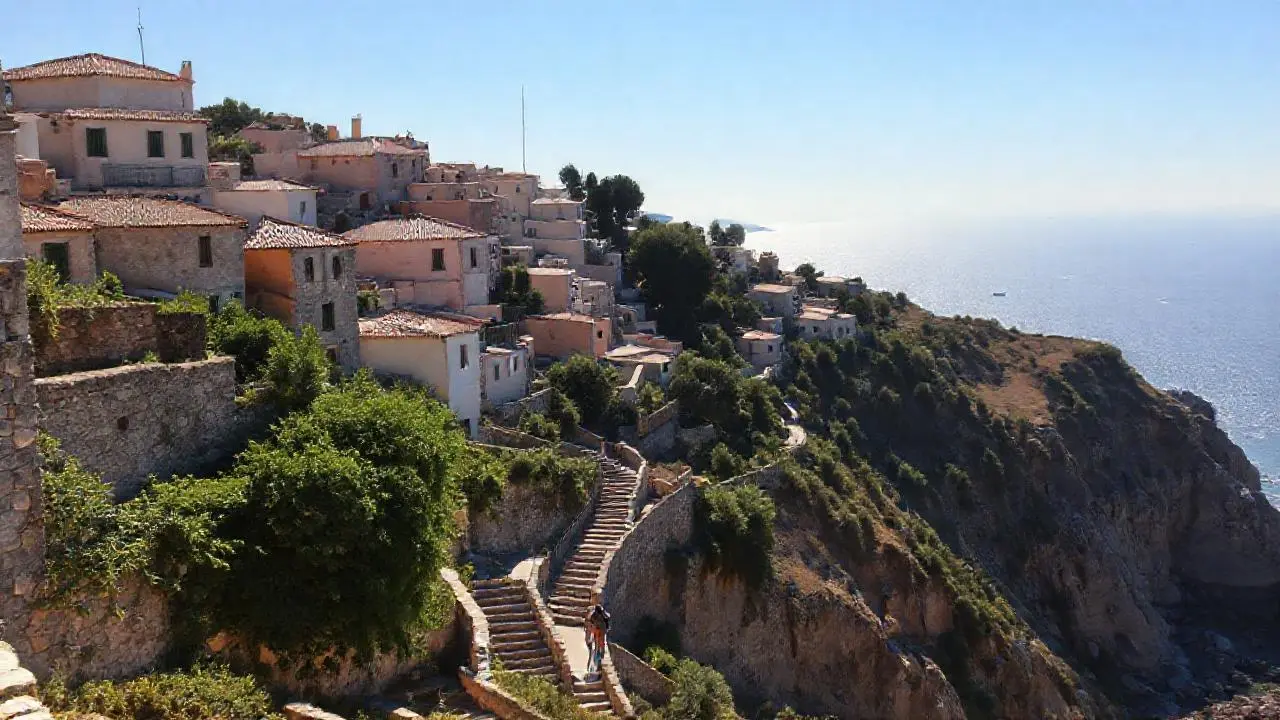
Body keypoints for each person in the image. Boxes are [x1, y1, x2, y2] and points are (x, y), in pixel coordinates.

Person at [585, 604, 610, 672]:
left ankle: (597, 664)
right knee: (600, 646)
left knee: (597, 647)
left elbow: (591, 622)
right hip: (602, 631)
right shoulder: (603, 615)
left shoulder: (594, 615)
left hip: (598, 631)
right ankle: (599, 661)